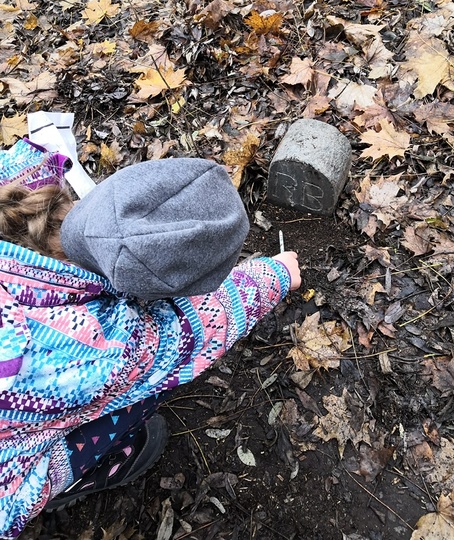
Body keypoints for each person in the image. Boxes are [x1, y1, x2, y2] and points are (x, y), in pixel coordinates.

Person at [0, 138, 301, 539]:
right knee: (143, 393)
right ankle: (80, 475)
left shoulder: (20, 194)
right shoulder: (100, 344)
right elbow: (196, 327)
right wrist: (277, 274)